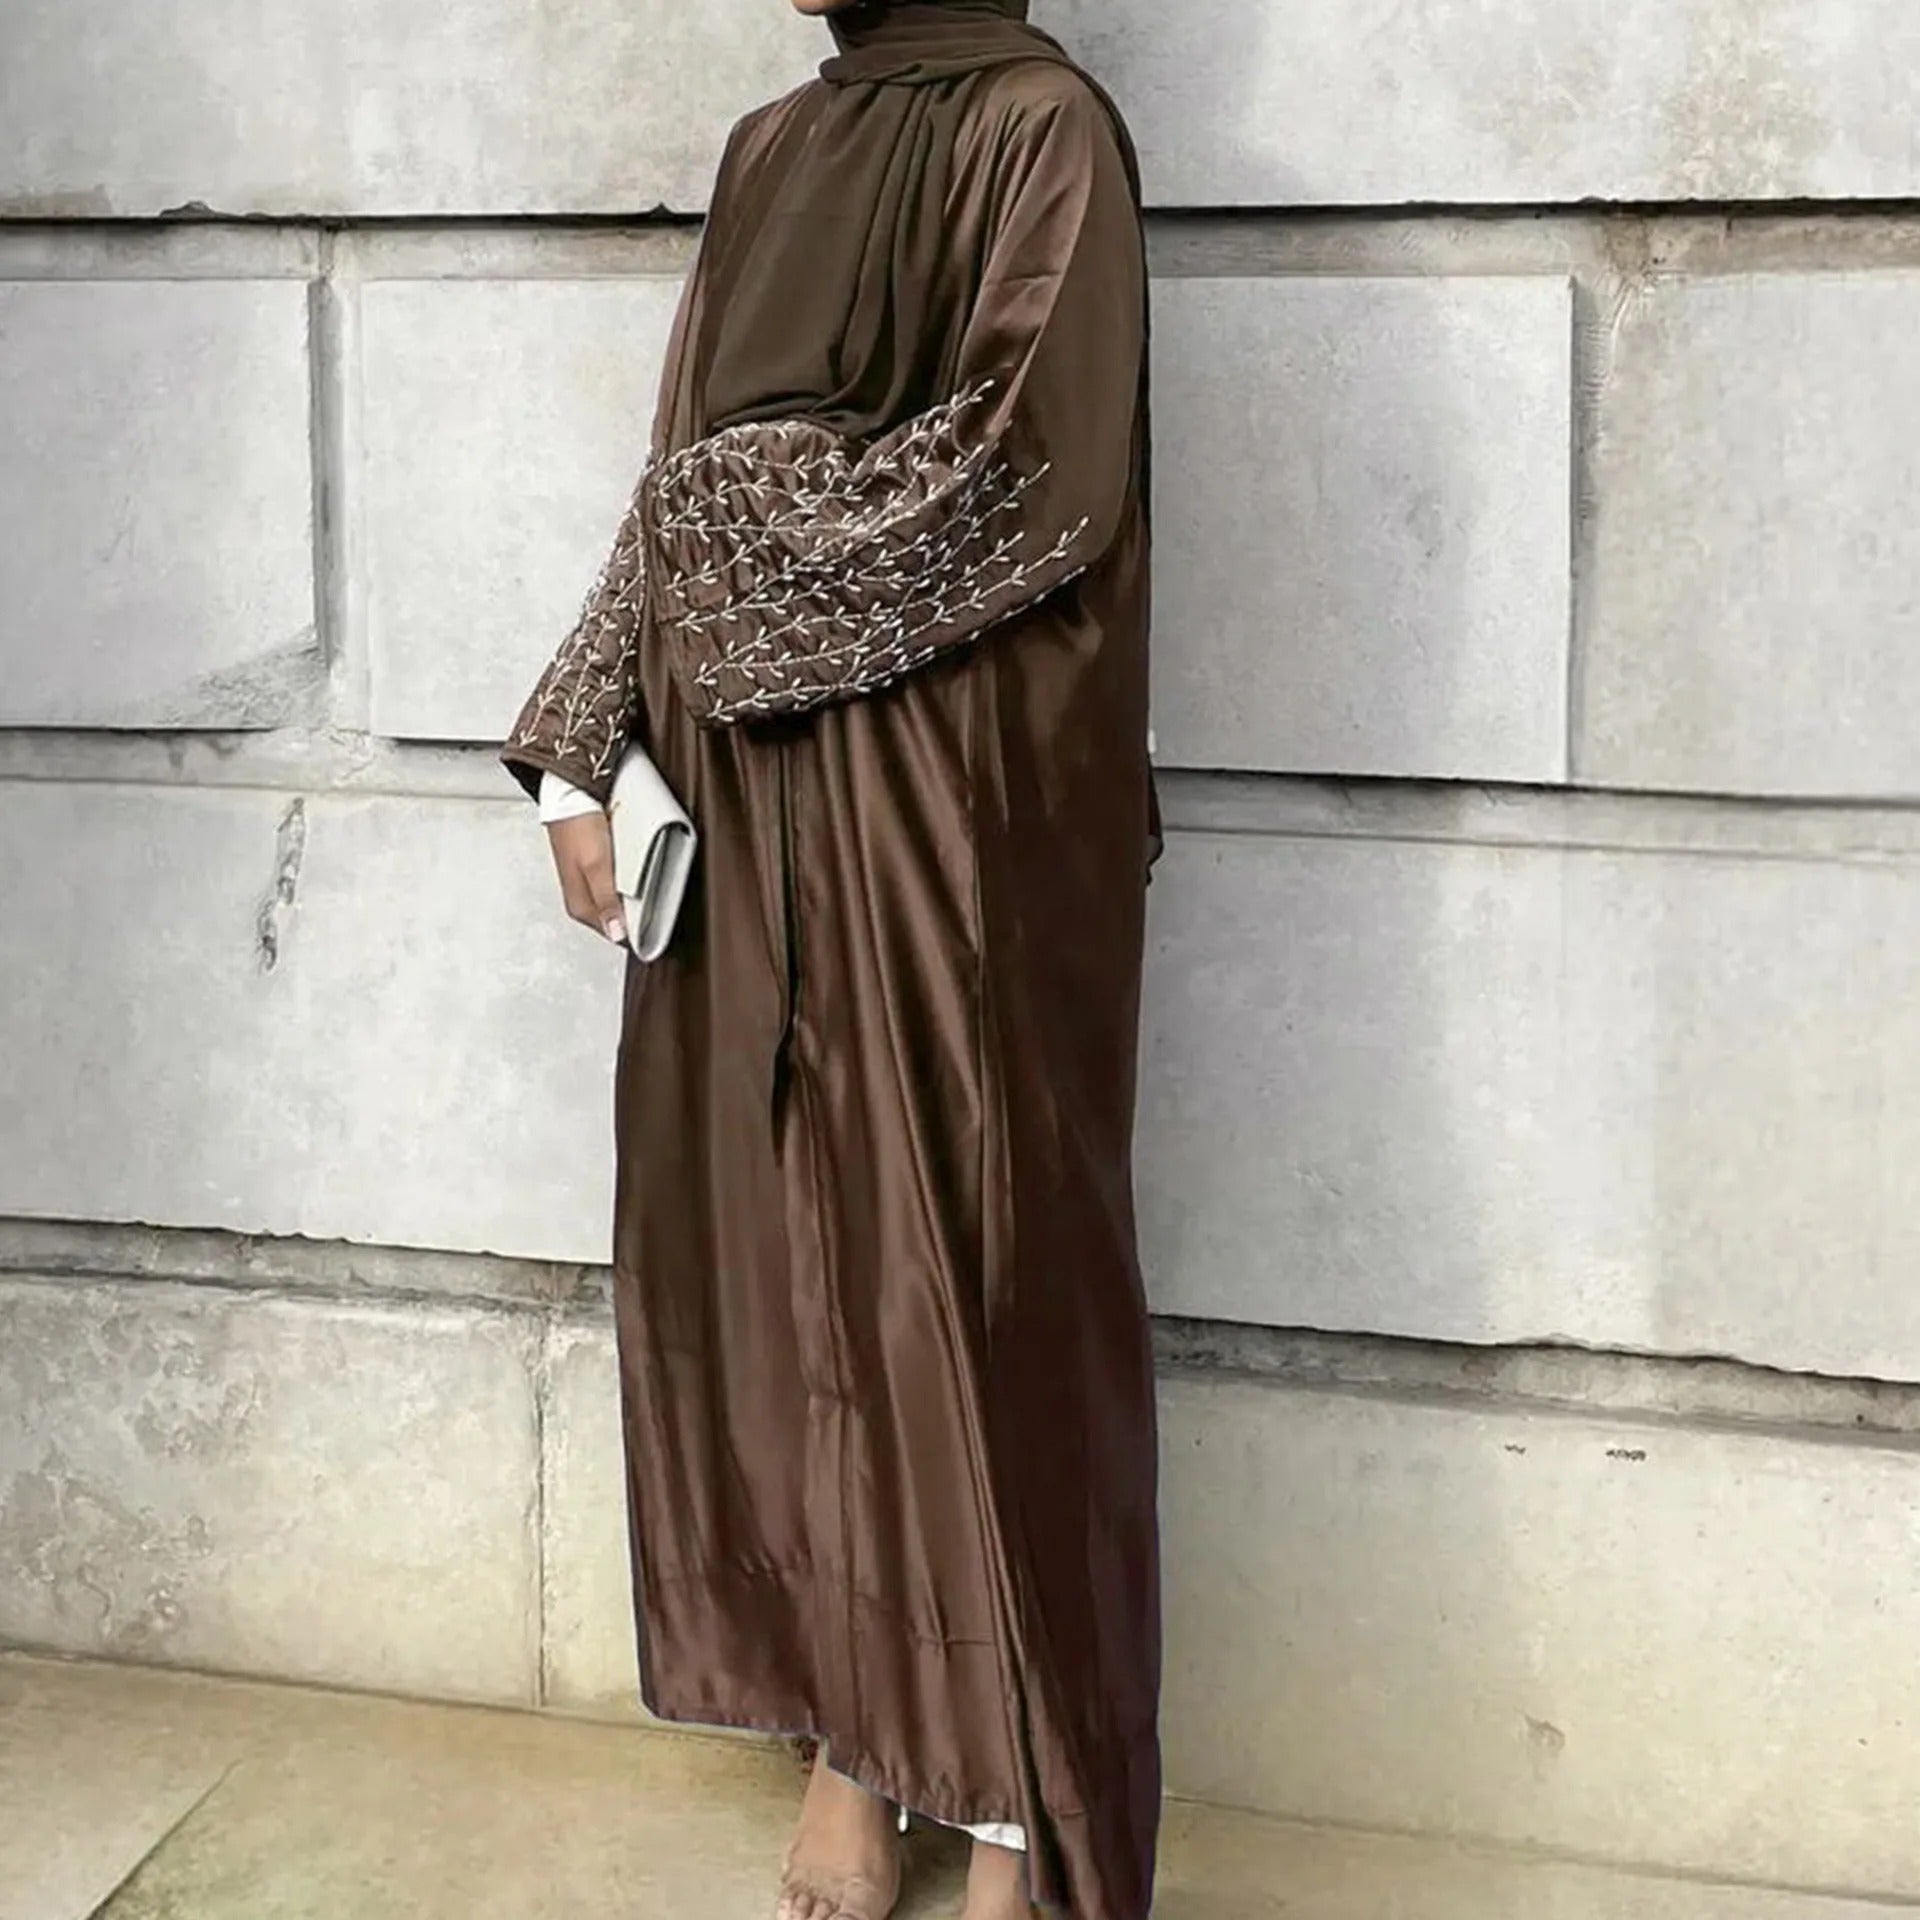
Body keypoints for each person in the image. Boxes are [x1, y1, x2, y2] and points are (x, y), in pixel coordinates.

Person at [498, 3, 1163, 1915]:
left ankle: (1020, 1802)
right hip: (745, 796)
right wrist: (580, 742)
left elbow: (1030, 474)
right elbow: (675, 473)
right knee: (785, 1271)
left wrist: (725, 516)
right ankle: (855, 1747)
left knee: (969, 1271)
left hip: (959, 823)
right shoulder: (771, 149)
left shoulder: (1043, 127)